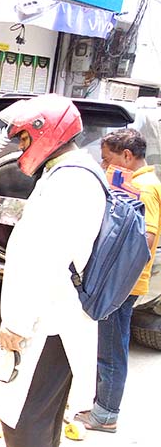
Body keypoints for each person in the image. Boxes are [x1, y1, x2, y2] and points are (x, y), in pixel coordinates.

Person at [0, 94, 105, 447]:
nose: (21, 148)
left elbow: (45, 260)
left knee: (24, 421)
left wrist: (16, 323)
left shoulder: (70, 182)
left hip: (49, 323)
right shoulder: (69, 173)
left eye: (24, 138)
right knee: (40, 416)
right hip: (55, 319)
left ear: (47, 133)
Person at [73, 129, 160, 433]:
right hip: (123, 281)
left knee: (112, 347)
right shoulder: (138, 182)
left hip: (124, 284)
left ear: (126, 156)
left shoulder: (145, 187)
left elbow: (146, 238)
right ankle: (102, 406)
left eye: (108, 159)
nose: (104, 164)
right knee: (110, 342)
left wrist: (116, 277)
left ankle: (106, 413)